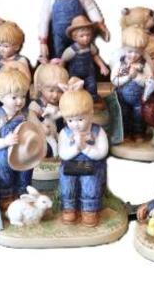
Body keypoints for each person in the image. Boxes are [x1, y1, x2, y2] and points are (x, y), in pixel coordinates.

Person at [58, 78, 109, 227]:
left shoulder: (98, 131)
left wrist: (85, 148)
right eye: (70, 120)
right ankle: (69, 207)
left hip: (91, 165)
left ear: (91, 113)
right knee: (67, 181)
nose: (75, 125)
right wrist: (76, 148)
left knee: (90, 181)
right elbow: (63, 154)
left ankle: (89, 209)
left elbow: (102, 152)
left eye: (80, 119)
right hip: (71, 165)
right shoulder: (65, 133)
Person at [0, 68, 31, 211]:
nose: (20, 101)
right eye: (14, 97)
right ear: (1, 96)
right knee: (4, 175)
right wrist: (5, 142)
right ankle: (6, 197)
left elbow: (36, 129)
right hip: (2, 154)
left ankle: (23, 196)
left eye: (23, 96)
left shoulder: (27, 114)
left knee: (24, 175)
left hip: (23, 153)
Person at [111, 27, 152, 142]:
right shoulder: (120, 64)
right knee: (124, 114)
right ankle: (126, 133)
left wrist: (136, 76)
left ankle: (138, 133)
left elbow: (149, 81)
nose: (133, 55)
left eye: (137, 52)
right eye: (130, 51)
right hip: (122, 97)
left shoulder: (144, 65)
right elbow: (114, 80)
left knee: (139, 115)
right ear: (123, 49)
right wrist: (128, 77)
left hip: (138, 98)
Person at [61, 15, 109, 101]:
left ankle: (92, 100)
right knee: (75, 89)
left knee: (92, 86)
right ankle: (77, 101)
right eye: (82, 36)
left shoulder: (90, 47)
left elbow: (95, 56)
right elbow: (63, 60)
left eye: (88, 35)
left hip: (89, 73)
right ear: (74, 37)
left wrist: (102, 66)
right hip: (75, 75)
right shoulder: (71, 51)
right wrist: (61, 73)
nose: (86, 38)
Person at [29, 63, 69, 157]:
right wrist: (40, 126)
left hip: (60, 134)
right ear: (40, 87)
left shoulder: (62, 103)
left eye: (60, 91)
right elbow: (31, 116)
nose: (55, 95)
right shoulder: (38, 104)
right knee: (46, 149)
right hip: (44, 135)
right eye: (51, 90)